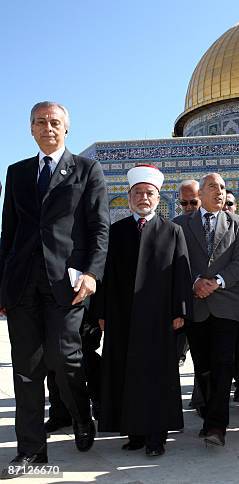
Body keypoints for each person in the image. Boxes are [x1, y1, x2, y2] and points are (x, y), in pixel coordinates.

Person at [0, 101, 109, 476]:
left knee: (66, 359)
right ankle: (32, 451)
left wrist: (93, 274)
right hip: (23, 285)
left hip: (68, 284)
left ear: (67, 129)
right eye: (41, 122)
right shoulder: (17, 173)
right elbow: (8, 234)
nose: (48, 127)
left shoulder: (86, 169)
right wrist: (3, 288)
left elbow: (99, 227)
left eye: (55, 122)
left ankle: (81, 416)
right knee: (26, 369)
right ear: (30, 129)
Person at [98, 165, 191, 457]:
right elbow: (107, 276)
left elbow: (181, 274)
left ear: (157, 197)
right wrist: (101, 312)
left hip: (159, 318)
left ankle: (156, 435)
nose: (143, 198)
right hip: (123, 317)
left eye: (148, 193)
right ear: (129, 197)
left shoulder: (172, 230)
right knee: (126, 373)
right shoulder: (117, 231)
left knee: (156, 376)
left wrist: (180, 310)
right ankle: (135, 432)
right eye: (137, 193)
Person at [173, 173, 239, 447]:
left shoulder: (238, 224)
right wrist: (195, 282)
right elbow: (178, 260)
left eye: (223, 187)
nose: (219, 192)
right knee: (203, 366)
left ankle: (217, 425)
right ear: (200, 193)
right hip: (196, 305)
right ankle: (208, 413)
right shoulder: (180, 224)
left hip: (226, 304)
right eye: (213, 187)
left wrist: (216, 282)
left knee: (223, 364)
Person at [175, 180, 201, 366]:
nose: (189, 207)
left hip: (207, 297)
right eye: (184, 203)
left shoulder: (213, 223)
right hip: (182, 298)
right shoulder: (174, 226)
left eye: (193, 202)